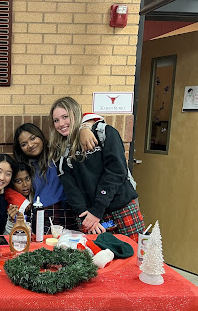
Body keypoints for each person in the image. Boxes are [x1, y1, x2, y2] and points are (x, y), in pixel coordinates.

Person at [50, 96, 144, 242]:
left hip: (121, 208)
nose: (61, 124)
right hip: (89, 217)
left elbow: (116, 171)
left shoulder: (104, 132)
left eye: (65, 117)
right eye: (56, 120)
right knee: (97, 260)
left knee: (135, 257)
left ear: (75, 115)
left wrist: (97, 210)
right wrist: (85, 213)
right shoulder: (60, 151)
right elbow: (70, 187)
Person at [13, 123, 95, 233]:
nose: (30, 145)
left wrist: (84, 128)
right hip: (41, 215)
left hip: (68, 210)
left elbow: (82, 118)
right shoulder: (25, 166)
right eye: (24, 144)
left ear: (40, 136)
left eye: (33, 138)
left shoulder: (58, 153)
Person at [4, 162, 34, 234]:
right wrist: (11, 221)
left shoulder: (37, 197)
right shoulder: (9, 204)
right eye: (19, 181)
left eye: (27, 179)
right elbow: (7, 235)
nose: (25, 184)